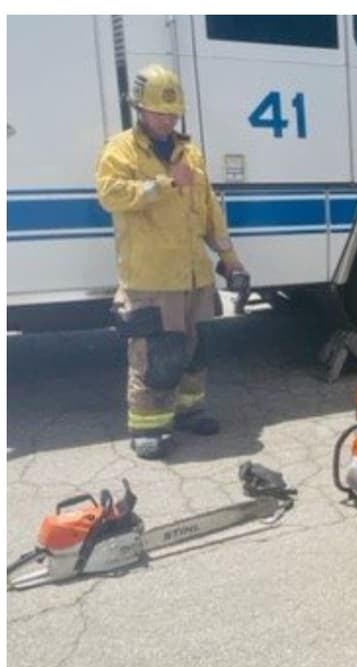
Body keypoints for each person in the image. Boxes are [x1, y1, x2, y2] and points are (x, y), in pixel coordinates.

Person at [95, 64, 247, 461]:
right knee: (157, 354)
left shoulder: (189, 154)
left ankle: (189, 410)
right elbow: (109, 195)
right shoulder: (120, 149)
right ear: (140, 110)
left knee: (196, 349)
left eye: (172, 113)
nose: (166, 120)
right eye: (158, 112)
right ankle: (149, 426)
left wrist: (228, 257)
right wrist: (165, 184)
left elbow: (210, 209)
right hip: (151, 277)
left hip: (193, 273)